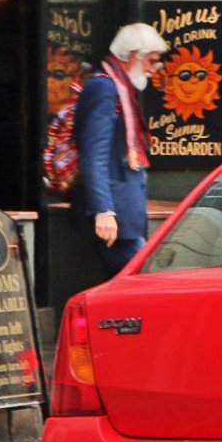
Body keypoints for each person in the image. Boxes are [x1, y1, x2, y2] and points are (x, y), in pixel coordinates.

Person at [73, 23, 167, 277]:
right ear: (135, 55)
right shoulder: (105, 88)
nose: (153, 69)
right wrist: (104, 211)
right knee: (146, 285)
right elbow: (94, 155)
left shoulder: (121, 88)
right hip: (115, 219)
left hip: (124, 219)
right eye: (151, 61)